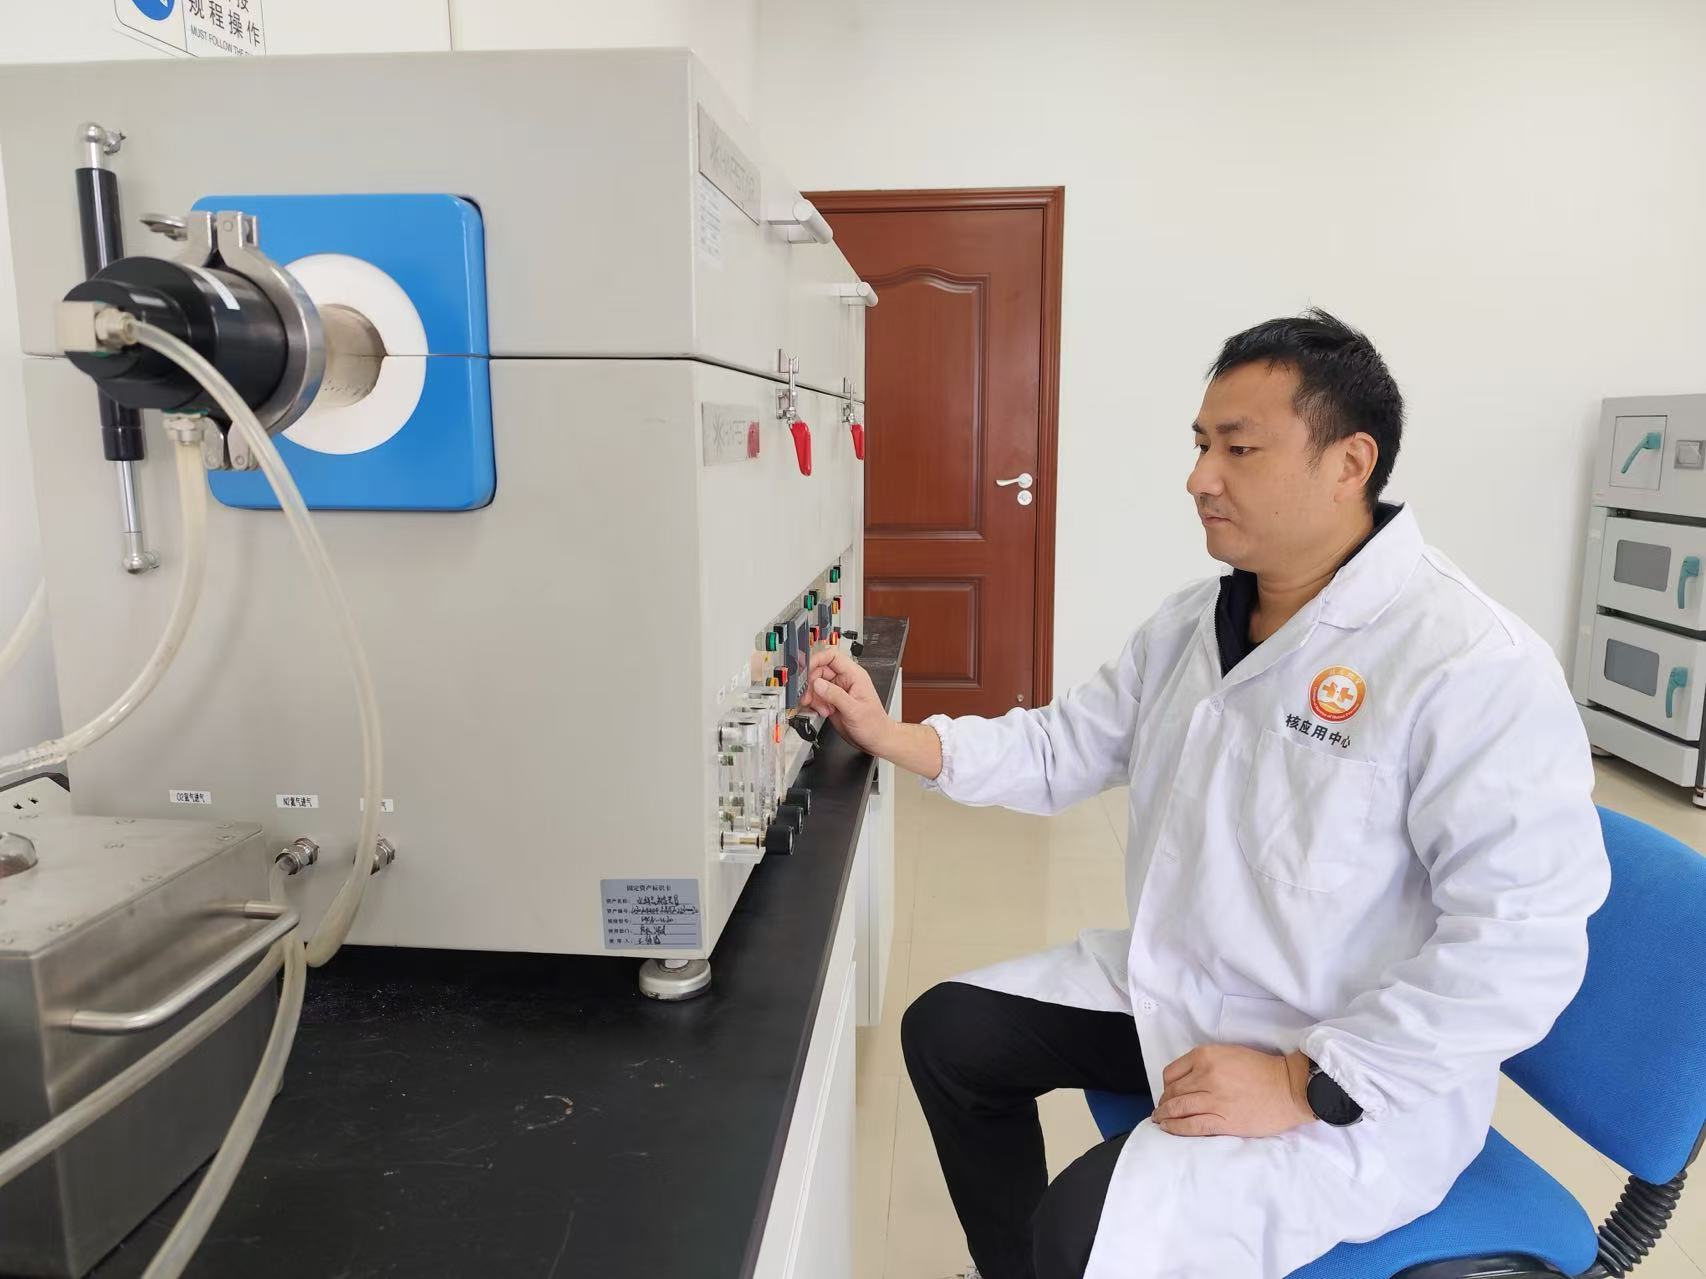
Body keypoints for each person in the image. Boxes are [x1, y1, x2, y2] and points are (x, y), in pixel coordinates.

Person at [798, 310, 1610, 1279]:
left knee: (1077, 1230)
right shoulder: (1195, 621)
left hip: (1348, 1063)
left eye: (1238, 448)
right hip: (1193, 987)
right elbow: (1067, 745)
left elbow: (1521, 943)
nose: (1198, 477)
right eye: (1199, 445)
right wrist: (899, 736)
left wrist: (1304, 1082)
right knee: (949, 1034)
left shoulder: (1469, 662)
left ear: (1348, 463)